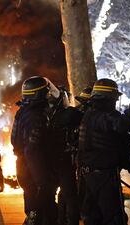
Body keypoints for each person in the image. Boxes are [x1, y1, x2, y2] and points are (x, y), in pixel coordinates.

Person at [77, 78, 130, 225]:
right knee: (113, 217)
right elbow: (122, 126)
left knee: (93, 216)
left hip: (88, 174)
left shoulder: (89, 114)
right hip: (105, 175)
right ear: (110, 98)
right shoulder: (108, 114)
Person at [11, 76, 58, 225]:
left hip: (24, 168)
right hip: (35, 171)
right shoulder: (36, 117)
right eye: (46, 92)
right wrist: (42, 180)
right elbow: (33, 150)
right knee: (42, 214)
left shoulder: (22, 112)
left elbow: (16, 142)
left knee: (33, 209)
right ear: (39, 95)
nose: (48, 95)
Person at [48, 86, 84, 225]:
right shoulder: (70, 113)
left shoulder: (44, 113)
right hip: (64, 161)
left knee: (52, 196)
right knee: (70, 196)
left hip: (48, 162)